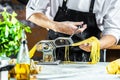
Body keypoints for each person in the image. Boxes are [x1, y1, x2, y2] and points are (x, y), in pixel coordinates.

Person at [26, 0, 120, 62]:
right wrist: (57, 26)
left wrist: (97, 45)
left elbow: (113, 31)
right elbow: (32, 12)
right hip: (54, 56)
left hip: (91, 60)